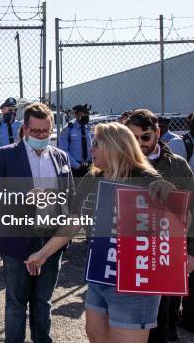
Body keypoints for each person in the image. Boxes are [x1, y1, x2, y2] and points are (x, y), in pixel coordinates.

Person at [26, 122, 179, 343]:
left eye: (96, 144)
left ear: (113, 146)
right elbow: (75, 218)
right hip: (100, 272)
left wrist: (171, 202)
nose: (91, 149)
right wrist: (44, 253)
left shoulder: (145, 177)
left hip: (134, 281)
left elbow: (177, 223)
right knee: (95, 335)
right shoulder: (95, 176)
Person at [0, 102, 75, 343]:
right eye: (36, 131)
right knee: (16, 302)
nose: (41, 136)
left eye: (46, 131)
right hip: (18, 239)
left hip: (51, 239)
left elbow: (70, 197)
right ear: (25, 129)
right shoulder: (6, 155)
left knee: (43, 301)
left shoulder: (60, 157)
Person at [123, 109, 194, 343]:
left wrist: (191, 253)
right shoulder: (120, 164)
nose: (139, 143)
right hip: (132, 256)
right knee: (132, 324)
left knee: (163, 322)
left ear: (158, 133)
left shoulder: (178, 166)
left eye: (145, 137)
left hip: (167, 254)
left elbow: (192, 210)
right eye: (132, 138)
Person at [58, 104, 93, 177]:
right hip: (75, 168)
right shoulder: (68, 129)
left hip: (90, 166)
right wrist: (77, 165)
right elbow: (63, 150)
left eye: (87, 114)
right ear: (77, 115)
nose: (87, 116)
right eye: (84, 114)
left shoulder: (89, 128)